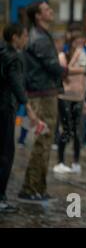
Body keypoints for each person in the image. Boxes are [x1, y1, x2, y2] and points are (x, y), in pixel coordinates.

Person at [18, 2, 66, 202]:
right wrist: (69, 69)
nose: (51, 11)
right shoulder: (40, 38)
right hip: (43, 95)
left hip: (43, 93)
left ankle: (37, 187)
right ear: (38, 16)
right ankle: (31, 188)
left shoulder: (39, 35)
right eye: (47, 9)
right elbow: (54, 67)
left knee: (43, 142)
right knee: (43, 141)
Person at [0, 24, 37, 212]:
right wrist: (28, 107)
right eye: (24, 36)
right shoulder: (13, 57)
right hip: (5, 108)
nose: (26, 39)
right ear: (15, 37)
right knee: (6, 154)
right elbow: (16, 83)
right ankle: (1, 197)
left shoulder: (2, 51)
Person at [53, 30, 86, 174]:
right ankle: (60, 161)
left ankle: (76, 161)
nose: (80, 44)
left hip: (79, 97)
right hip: (65, 97)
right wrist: (82, 66)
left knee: (78, 131)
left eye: (82, 41)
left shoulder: (84, 55)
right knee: (66, 130)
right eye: (77, 41)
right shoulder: (63, 56)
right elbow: (65, 70)